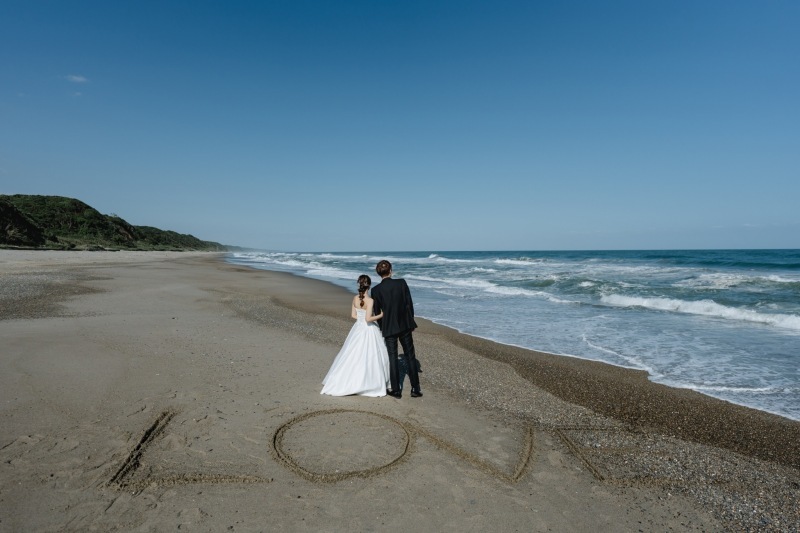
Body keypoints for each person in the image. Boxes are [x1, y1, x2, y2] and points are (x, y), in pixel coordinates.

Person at [321, 275, 390, 397]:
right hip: (368, 329)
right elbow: (369, 319)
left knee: (351, 353)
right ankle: (368, 382)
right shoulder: (370, 301)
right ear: (369, 285)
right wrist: (381, 315)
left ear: (359, 285)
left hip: (358, 328)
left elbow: (353, 315)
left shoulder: (354, 298)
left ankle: (346, 379)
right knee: (372, 355)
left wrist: (361, 319)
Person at [370, 259, 422, 398]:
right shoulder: (401, 283)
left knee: (392, 357)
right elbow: (409, 304)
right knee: (410, 356)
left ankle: (396, 390)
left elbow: (377, 312)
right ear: (391, 270)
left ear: (378, 274)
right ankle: (415, 389)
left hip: (389, 327)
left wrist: (382, 327)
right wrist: (411, 321)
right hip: (404, 325)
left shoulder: (375, 290)